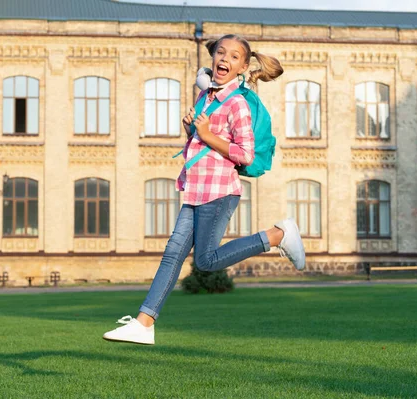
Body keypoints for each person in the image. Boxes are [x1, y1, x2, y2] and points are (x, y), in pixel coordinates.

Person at [103, 34, 305, 345]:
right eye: (221, 52)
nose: (224, 58)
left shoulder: (237, 103)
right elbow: (201, 143)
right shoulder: (207, 97)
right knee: (171, 255)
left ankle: (277, 234)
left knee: (206, 261)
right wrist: (191, 129)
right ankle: (144, 324)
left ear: (243, 67)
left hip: (220, 191)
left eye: (234, 56)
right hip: (196, 190)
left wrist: (207, 134)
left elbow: (245, 154)